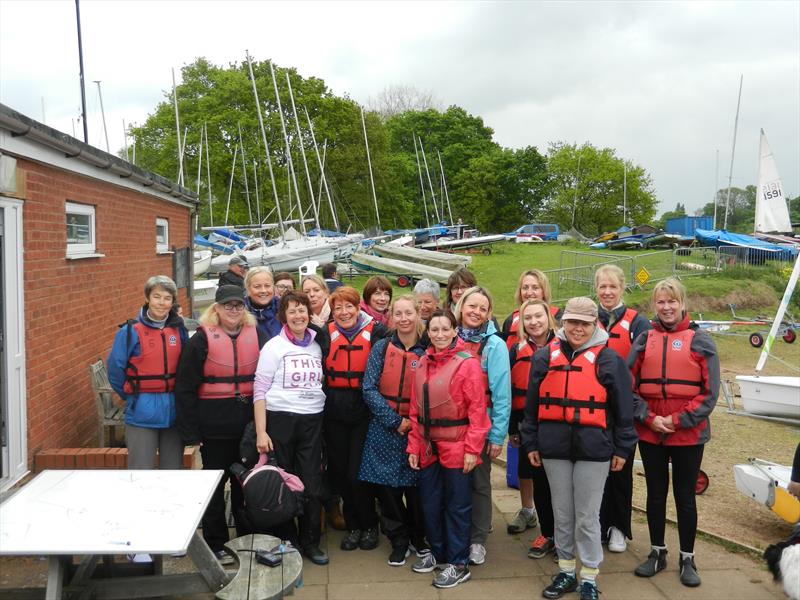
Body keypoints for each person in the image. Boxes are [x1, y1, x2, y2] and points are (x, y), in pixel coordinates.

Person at [521, 297, 637, 600]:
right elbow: (531, 408)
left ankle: (589, 576)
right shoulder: (545, 357)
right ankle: (566, 571)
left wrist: (622, 450)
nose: (577, 329)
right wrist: (531, 441)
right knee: (562, 514)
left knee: (587, 516)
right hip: (554, 448)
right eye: (572, 322)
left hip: (594, 450)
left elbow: (625, 412)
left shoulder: (610, 360)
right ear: (564, 323)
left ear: (595, 324)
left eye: (584, 323)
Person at [629, 278, 719, 588]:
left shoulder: (701, 340)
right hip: (650, 430)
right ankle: (657, 551)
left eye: (672, 301)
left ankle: (687, 557)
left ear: (682, 303)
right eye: (661, 302)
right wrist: (649, 417)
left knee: (685, 497)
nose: (666, 307)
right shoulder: (643, 339)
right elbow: (629, 386)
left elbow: (709, 394)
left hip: (687, 433)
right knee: (655, 495)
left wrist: (678, 420)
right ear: (654, 305)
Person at [175, 285, 269, 564]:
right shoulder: (200, 341)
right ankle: (216, 542)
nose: (233, 310)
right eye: (227, 305)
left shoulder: (258, 335)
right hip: (213, 426)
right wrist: (191, 432)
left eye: (238, 306)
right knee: (215, 486)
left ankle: (246, 537)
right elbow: (185, 388)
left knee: (246, 484)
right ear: (216, 308)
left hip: (248, 427)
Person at [407, 309, 490, 589]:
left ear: (455, 331)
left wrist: (472, 449)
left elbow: (478, 410)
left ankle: (458, 562)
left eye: (445, 329)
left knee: (457, 505)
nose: (440, 334)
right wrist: (414, 446)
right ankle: (439, 552)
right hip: (429, 444)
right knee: (430, 502)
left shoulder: (467, 364)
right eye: (434, 330)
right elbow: (415, 410)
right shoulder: (422, 363)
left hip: (457, 442)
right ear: (427, 333)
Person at [252, 291, 329, 565]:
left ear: (310, 314)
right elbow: (259, 390)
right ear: (283, 316)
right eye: (292, 311)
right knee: (283, 483)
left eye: (303, 310)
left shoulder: (317, 345)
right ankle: (287, 540)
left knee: (311, 482)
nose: (298, 316)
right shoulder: (273, 347)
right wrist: (262, 432)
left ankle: (311, 541)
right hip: (280, 419)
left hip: (311, 420)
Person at [359, 295, 428, 567]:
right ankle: (398, 539)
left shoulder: (427, 349)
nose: (403, 318)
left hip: (417, 428)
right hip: (385, 427)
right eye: (397, 313)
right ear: (391, 317)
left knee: (417, 489)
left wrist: (413, 422)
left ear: (417, 314)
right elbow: (369, 388)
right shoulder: (381, 348)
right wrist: (394, 420)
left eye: (408, 312)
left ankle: (418, 537)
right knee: (387, 490)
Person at [324, 286, 388, 552]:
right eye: (338, 307)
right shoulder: (324, 335)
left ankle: (369, 524)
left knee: (357, 472)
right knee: (339, 471)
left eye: (349, 306)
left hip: (365, 411)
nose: (344, 312)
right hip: (335, 411)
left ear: (358, 306)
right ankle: (353, 526)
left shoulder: (378, 333)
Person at [594, 264, 651, 553]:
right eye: (602, 286)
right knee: (595, 471)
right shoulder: (590, 319)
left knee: (620, 469)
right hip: (593, 407)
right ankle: (598, 524)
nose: (607, 291)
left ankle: (619, 526)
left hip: (623, 409)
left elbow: (646, 365)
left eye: (612, 286)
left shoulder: (638, 323)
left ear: (622, 287)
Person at [454, 286, 511, 566]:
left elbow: (502, 395)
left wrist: (497, 436)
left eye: (482, 308)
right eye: (471, 306)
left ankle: (478, 540)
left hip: (481, 427)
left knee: (479, 484)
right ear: (461, 306)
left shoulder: (495, 346)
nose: (475, 312)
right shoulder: (447, 337)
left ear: (489, 313)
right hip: (450, 427)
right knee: (452, 484)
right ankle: (455, 533)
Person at [107, 275, 188, 471]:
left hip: (174, 410)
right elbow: (115, 370)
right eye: (157, 297)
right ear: (147, 298)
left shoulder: (179, 330)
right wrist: (132, 396)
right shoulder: (129, 331)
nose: (162, 303)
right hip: (142, 410)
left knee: (173, 469)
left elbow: (187, 367)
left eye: (167, 298)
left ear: (173, 302)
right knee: (141, 469)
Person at [507, 300, 557, 559]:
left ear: (549, 317)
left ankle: (563, 536)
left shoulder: (564, 347)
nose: (534, 322)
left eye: (539, 316)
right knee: (537, 479)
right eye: (528, 318)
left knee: (559, 483)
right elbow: (511, 391)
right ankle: (547, 533)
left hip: (558, 426)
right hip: (529, 426)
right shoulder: (516, 350)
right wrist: (513, 428)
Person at [502, 269, 561, 350]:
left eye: (535, 288)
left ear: (544, 292)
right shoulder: (510, 320)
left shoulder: (559, 317)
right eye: (525, 288)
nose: (529, 293)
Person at [244, 266, 281, 340]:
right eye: (257, 286)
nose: (263, 290)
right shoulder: (240, 313)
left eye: (267, 286)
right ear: (248, 289)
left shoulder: (284, 308)